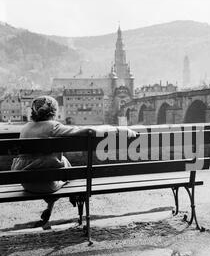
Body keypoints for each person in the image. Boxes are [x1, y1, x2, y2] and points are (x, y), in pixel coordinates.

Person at [11, 95, 136, 227]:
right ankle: (72, 196)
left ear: (33, 111)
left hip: (26, 182)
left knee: (60, 163)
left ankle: (50, 208)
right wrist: (118, 129)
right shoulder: (53, 127)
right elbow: (88, 131)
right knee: (64, 166)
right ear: (54, 112)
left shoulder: (25, 128)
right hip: (46, 185)